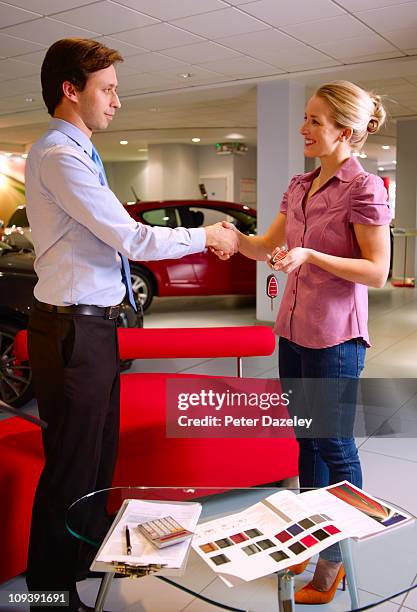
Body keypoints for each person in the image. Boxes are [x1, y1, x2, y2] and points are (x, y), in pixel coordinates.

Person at [25, 38, 238, 612]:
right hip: (72, 331)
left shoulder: (80, 152)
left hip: (94, 328)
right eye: (108, 89)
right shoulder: (59, 156)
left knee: (98, 459)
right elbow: (130, 236)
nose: (118, 100)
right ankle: (48, 593)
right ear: (71, 90)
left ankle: (81, 559)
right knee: (71, 466)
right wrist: (206, 235)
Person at [219, 80, 392, 603]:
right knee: (305, 444)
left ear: (346, 130)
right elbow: (266, 245)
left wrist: (311, 257)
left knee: (334, 446)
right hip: (293, 334)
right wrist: (230, 239)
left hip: (335, 340)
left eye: (314, 121)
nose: (303, 129)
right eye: (306, 118)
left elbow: (377, 271)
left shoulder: (363, 189)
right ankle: (310, 545)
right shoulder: (299, 185)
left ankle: (335, 564)